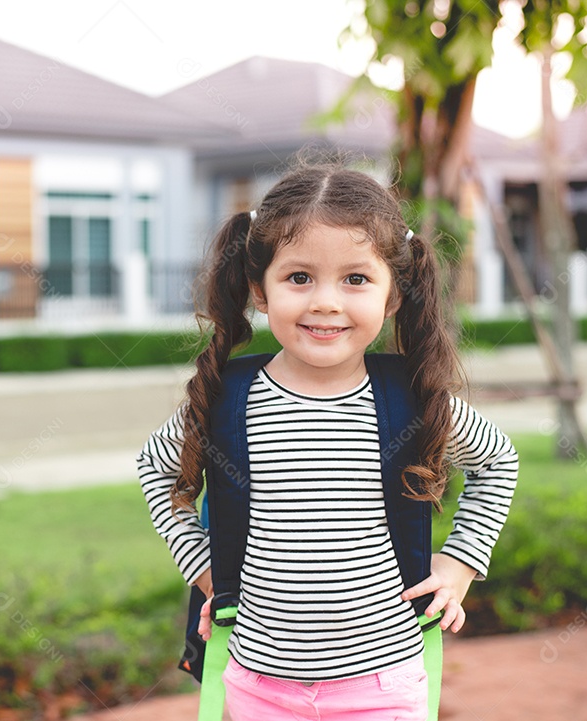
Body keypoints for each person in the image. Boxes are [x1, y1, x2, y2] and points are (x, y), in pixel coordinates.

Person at [137, 163, 518, 721]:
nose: (325, 302)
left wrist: (461, 561)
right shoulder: (228, 402)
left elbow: (498, 462)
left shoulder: (413, 402)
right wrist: (204, 565)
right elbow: (156, 469)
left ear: (392, 296)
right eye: (299, 278)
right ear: (259, 290)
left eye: (355, 279)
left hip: (383, 687)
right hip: (259, 686)